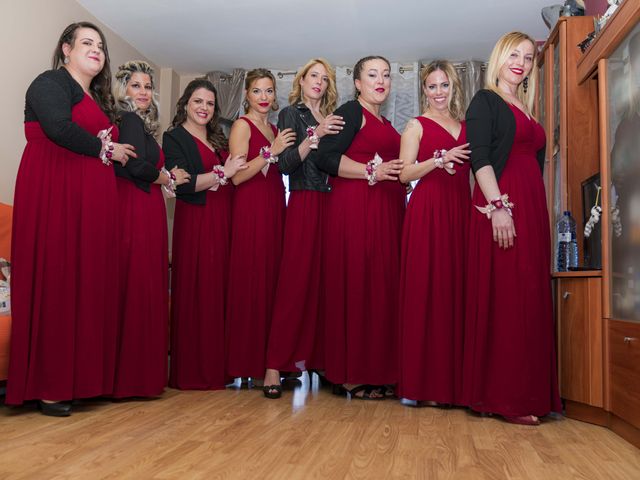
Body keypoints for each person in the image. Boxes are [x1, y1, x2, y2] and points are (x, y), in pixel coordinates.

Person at [7, 22, 136, 416]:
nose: (96, 50)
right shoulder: (50, 82)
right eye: (86, 43)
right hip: (55, 192)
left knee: (86, 285)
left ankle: (77, 380)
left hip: (89, 202)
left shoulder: (95, 99)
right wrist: (107, 151)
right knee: (58, 280)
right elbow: (57, 128)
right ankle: (50, 385)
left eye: (100, 45)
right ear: (66, 49)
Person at [462, 31, 561, 425]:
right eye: (513, 54)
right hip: (500, 207)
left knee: (529, 296)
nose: (521, 62)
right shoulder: (485, 100)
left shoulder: (528, 107)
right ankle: (506, 397)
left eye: (527, 57)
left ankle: (532, 392)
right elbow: (480, 159)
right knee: (507, 300)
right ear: (498, 58)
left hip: (531, 209)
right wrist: (498, 206)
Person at [316, 56, 404, 399]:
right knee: (359, 286)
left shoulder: (387, 122)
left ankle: (381, 369)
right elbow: (325, 157)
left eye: (385, 74)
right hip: (356, 210)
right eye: (372, 75)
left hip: (387, 212)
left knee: (381, 289)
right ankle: (352, 373)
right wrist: (373, 171)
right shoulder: (351, 112)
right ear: (357, 82)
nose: (380, 80)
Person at [262, 58, 344, 398]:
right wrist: (314, 138)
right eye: (314, 76)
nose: (319, 83)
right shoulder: (291, 115)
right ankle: (273, 366)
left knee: (328, 284)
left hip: (334, 203)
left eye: (325, 79)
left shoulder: (335, 117)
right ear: (302, 79)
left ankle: (322, 361)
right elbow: (284, 163)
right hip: (304, 199)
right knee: (295, 283)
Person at [112, 61, 190, 398]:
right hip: (134, 206)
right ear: (123, 90)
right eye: (136, 86)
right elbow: (134, 165)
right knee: (138, 283)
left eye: (147, 87)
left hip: (145, 204)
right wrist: (166, 177)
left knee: (141, 284)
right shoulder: (129, 119)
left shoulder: (140, 125)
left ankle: (136, 375)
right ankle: (133, 378)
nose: (143, 93)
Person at [163, 78, 246, 390]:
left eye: (210, 103)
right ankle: (195, 372)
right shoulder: (174, 138)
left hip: (224, 219)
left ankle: (220, 368)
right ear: (186, 103)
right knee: (200, 290)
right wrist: (223, 173)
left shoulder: (219, 138)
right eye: (198, 101)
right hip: (198, 221)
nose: (204, 108)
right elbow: (182, 184)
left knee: (221, 291)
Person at [397, 60, 470, 406]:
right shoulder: (416, 125)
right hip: (428, 212)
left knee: (455, 292)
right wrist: (439, 161)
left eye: (444, 85)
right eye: (432, 86)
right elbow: (404, 174)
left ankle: (453, 385)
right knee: (428, 291)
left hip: (461, 212)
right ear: (423, 90)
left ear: (453, 87)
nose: (439, 92)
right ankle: (424, 385)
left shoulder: (465, 126)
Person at [225, 69, 295, 385]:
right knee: (250, 280)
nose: (264, 97)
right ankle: (247, 363)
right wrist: (272, 152)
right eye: (257, 91)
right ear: (247, 95)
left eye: (268, 91)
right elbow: (237, 176)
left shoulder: (275, 128)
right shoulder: (243, 125)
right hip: (250, 207)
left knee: (272, 283)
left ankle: (271, 362)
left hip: (273, 205)